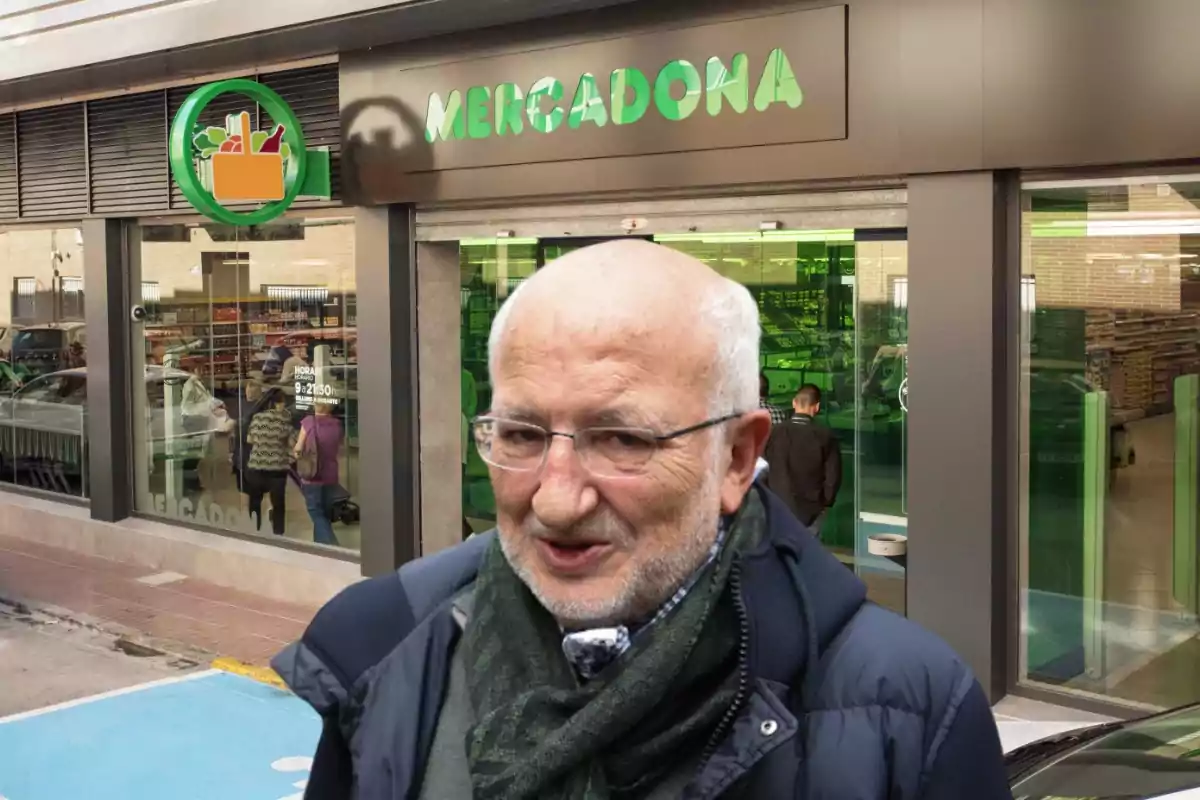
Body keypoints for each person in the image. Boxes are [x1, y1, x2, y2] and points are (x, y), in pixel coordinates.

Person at [273, 240, 1010, 800]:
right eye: (523, 435)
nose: (556, 501)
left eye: (624, 439)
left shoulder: (906, 714)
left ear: (735, 457)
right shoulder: (382, 651)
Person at [763, 383, 843, 533]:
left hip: (778, 503)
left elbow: (763, 467)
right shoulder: (825, 436)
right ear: (817, 407)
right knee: (807, 552)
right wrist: (825, 501)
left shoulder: (775, 434)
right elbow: (833, 475)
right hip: (811, 508)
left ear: (794, 403)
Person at [294, 400, 343, 547]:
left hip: (312, 476)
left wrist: (296, 453)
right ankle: (320, 547)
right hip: (331, 474)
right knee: (324, 513)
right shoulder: (337, 424)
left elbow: (298, 450)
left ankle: (332, 545)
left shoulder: (308, 422)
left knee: (315, 512)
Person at [245, 388, 293, 535]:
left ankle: (254, 530)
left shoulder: (257, 417)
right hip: (277, 468)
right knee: (278, 504)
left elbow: (249, 439)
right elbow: (291, 442)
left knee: (255, 502)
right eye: (283, 402)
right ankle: (278, 534)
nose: (284, 406)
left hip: (256, 467)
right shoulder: (284, 418)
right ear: (277, 403)